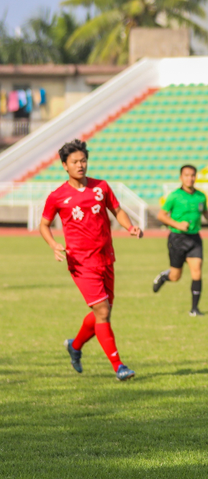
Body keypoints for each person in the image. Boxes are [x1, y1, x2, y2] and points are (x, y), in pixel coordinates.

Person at [39, 139, 143, 381]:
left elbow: (117, 210)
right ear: (64, 165)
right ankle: (119, 366)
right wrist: (54, 245)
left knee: (102, 313)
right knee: (103, 312)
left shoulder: (101, 187)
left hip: (106, 258)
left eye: (83, 160)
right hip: (81, 263)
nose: (80, 165)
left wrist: (130, 227)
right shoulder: (57, 196)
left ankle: (75, 346)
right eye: (75, 162)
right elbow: (44, 225)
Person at [152, 165, 208, 316]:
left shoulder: (201, 196)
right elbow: (161, 216)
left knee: (197, 271)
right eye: (187, 175)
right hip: (177, 238)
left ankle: (194, 309)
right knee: (175, 276)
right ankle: (164, 276)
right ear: (181, 177)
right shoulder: (174, 196)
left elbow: (205, 211)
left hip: (194, 238)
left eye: (193, 175)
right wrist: (178, 225)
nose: (190, 178)